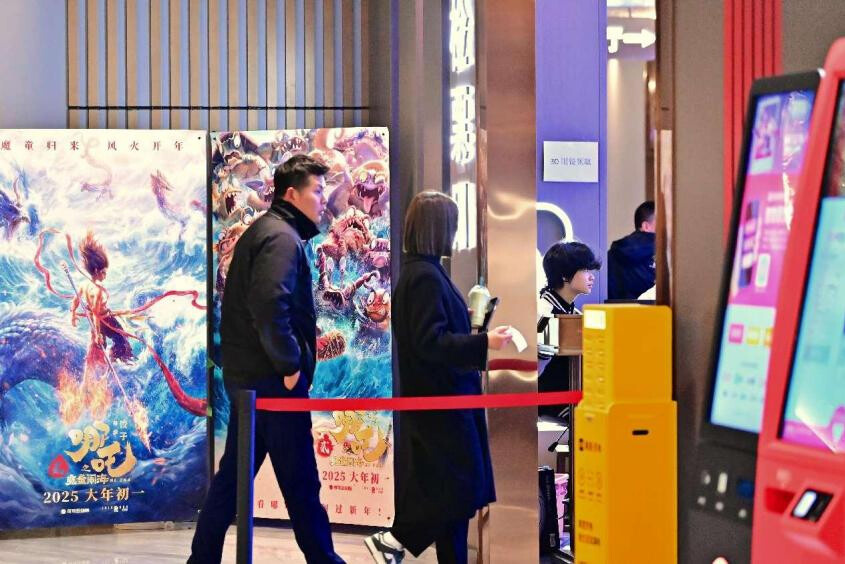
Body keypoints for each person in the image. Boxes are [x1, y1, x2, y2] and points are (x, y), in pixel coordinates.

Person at [188, 155, 344, 564]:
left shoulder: (269, 230)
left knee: (232, 484)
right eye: (317, 189)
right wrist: (290, 366)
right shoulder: (280, 237)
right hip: (272, 386)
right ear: (292, 193)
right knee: (301, 484)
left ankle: (200, 560)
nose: (323, 198)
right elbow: (269, 303)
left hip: (252, 384)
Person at [364, 191, 513, 564]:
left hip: (442, 401)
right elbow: (431, 342)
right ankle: (395, 538)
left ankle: (420, 548)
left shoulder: (422, 272)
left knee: (455, 497)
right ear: (439, 228)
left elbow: (431, 333)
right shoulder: (425, 277)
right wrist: (483, 342)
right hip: (442, 404)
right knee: (458, 489)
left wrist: (471, 326)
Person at [537, 241, 601, 417]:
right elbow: (538, 372)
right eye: (586, 270)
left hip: (572, 397)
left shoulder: (573, 311)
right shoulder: (546, 313)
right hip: (549, 402)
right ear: (565, 275)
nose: (592, 277)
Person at [607, 201, 656, 300]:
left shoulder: (612, 254)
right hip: (652, 313)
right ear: (646, 226)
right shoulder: (662, 249)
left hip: (617, 312)